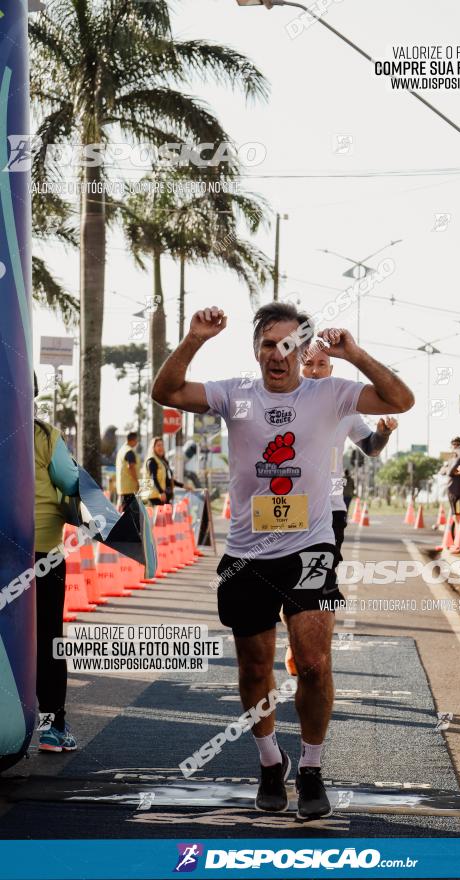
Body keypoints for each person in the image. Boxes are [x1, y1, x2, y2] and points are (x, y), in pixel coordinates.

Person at [152, 303, 414, 819]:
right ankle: (271, 762)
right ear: (256, 351)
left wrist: (354, 352)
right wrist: (194, 338)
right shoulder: (234, 394)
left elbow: (400, 400)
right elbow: (167, 392)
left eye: (290, 345)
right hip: (247, 552)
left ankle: (312, 770)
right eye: (269, 345)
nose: (279, 354)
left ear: (304, 351)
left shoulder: (332, 394)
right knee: (253, 668)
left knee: (313, 662)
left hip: (310, 546)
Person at [302, 343, 397, 554]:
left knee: (320, 578)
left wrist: (383, 434)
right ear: (297, 367)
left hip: (330, 508)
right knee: (288, 580)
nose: (315, 371)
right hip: (290, 509)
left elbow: (372, 449)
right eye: (308, 364)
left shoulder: (346, 409)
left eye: (322, 364)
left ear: (331, 370)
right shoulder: (279, 404)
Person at [33, 374, 80, 752]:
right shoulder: (45, 436)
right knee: (49, 642)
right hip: (42, 557)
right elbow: (70, 480)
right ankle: (51, 728)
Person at [140, 436, 181, 505]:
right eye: (158, 445)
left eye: (162, 445)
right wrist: (161, 492)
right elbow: (153, 478)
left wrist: (182, 485)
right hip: (152, 498)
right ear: (153, 448)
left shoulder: (162, 461)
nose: (161, 447)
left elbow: (167, 479)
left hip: (160, 497)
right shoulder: (152, 460)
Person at [115, 431, 141, 512]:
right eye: (136, 440)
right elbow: (131, 467)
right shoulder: (129, 451)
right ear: (133, 440)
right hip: (130, 488)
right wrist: (137, 482)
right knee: (128, 513)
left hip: (122, 487)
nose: (137, 442)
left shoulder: (122, 450)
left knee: (122, 510)